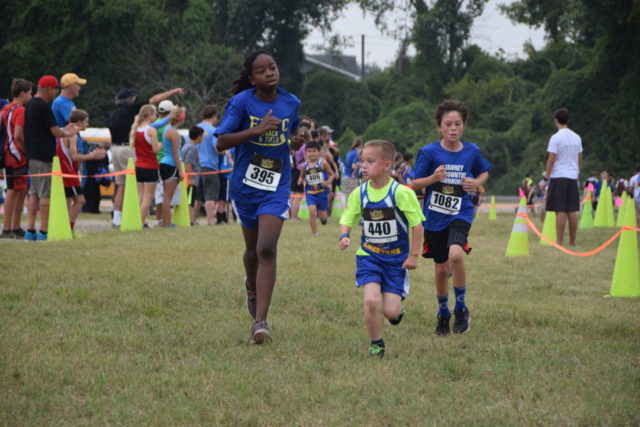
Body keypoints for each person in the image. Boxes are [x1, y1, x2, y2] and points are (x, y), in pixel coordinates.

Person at [215, 50, 303, 344]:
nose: (270, 73)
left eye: (273, 67)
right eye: (262, 70)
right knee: (252, 250)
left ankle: (260, 322)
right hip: (246, 185)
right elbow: (222, 142)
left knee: (267, 248)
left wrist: (295, 139)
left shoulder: (291, 102)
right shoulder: (241, 103)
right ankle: (251, 288)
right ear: (252, 78)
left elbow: (292, 129)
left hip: (277, 184)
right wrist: (258, 128)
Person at [410, 100, 491, 336]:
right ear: (439, 127)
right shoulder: (429, 152)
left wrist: (476, 183)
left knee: (456, 253)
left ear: (464, 125)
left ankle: (461, 308)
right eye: (448, 124)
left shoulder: (471, 151)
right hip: (435, 216)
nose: (453, 128)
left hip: (461, 212)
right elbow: (414, 183)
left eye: (458, 124)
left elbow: (483, 171)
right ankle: (443, 311)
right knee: (441, 269)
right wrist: (433, 179)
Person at [339, 140, 424, 358]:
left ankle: (396, 311)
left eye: (369, 161)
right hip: (369, 256)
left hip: (397, 260)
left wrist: (413, 256)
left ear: (387, 165)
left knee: (391, 311)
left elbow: (416, 225)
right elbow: (349, 215)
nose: (363, 166)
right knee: (371, 301)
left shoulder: (401, 193)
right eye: (361, 161)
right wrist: (345, 234)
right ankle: (376, 344)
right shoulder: (359, 193)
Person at [107, 86, 183, 227]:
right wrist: (173, 91)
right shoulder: (136, 112)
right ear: (130, 100)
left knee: (121, 186)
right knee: (144, 195)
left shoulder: (114, 115)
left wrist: (168, 116)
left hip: (115, 149)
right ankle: (138, 221)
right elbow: (154, 99)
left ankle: (117, 219)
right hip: (132, 154)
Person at [23, 75, 80, 241]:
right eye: (55, 89)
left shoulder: (31, 104)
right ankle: (44, 230)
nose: (56, 92)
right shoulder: (43, 106)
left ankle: (30, 229)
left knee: (34, 193)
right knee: (45, 194)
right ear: (49, 89)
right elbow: (54, 130)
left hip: (32, 154)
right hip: (44, 155)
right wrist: (68, 132)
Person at [56, 109, 107, 231]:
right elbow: (74, 156)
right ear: (79, 122)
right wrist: (92, 156)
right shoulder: (72, 134)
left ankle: (63, 228)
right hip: (67, 172)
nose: (87, 125)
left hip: (65, 171)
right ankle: (68, 229)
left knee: (68, 201)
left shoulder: (64, 130)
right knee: (80, 200)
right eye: (86, 122)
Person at [544, 107, 582, 246]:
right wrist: (576, 172)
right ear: (568, 120)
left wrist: (546, 177)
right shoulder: (577, 137)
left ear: (556, 121)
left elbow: (551, 159)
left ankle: (559, 242)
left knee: (560, 209)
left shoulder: (555, 138)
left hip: (559, 175)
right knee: (571, 210)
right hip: (572, 176)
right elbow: (580, 158)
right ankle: (572, 242)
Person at [1, 78, 32, 239]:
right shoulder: (20, 110)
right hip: (17, 154)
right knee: (14, 191)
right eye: (29, 93)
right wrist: (28, 151)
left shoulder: (6, 108)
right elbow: (18, 135)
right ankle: (8, 228)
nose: (30, 97)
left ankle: (14, 227)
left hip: (7, 153)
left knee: (20, 190)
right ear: (22, 93)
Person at [130, 104, 162, 227]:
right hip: (150, 166)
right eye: (154, 114)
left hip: (139, 165)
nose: (155, 116)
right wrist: (159, 145)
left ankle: (137, 219)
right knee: (148, 198)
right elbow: (155, 149)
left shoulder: (136, 129)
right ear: (150, 115)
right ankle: (141, 222)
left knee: (141, 196)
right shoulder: (151, 130)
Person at [298, 140, 334, 237]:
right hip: (310, 193)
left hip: (322, 193)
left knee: (323, 219)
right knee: (312, 211)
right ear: (306, 153)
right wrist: (300, 180)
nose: (311, 153)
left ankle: (324, 219)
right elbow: (301, 176)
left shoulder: (323, 163)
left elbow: (332, 174)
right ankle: (314, 233)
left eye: (314, 151)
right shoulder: (304, 165)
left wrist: (327, 182)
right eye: (309, 151)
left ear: (319, 152)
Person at [158, 107, 186, 227]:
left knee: (166, 196)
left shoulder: (166, 129)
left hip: (164, 162)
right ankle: (167, 223)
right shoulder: (174, 132)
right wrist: (180, 171)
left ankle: (165, 222)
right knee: (168, 197)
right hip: (171, 164)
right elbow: (176, 153)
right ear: (182, 118)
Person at [197, 105, 220, 225]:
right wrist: (225, 151)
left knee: (198, 195)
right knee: (210, 195)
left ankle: (193, 220)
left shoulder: (196, 127)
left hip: (197, 166)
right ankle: (210, 220)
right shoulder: (213, 130)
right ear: (214, 116)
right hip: (211, 166)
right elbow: (217, 149)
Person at [182, 125, 204, 225]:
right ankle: (191, 220)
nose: (202, 138)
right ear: (198, 136)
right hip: (191, 179)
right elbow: (188, 163)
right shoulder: (192, 148)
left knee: (189, 199)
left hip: (187, 178)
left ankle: (190, 219)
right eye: (202, 136)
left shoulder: (186, 145)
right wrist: (191, 178)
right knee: (190, 200)